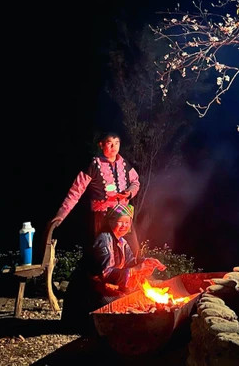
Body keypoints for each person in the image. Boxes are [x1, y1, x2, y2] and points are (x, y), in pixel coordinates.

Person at [61, 204, 165, 334]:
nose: (124, 226)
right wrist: (135, 269)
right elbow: (105, 273)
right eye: (120, 222)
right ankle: (86, 325)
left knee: (134, 297)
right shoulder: (103, 240)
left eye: (127, 222)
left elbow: (130, 262)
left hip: (103, 288)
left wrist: (146, 263)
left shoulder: (122, 242)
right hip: (88, 291)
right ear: (110, 221)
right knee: (122, 302)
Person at [49, 132, 141, 253]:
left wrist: (129, 192)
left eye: (117, 143)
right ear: (101, 145)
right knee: (105, 254)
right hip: (102, 216)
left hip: (123, 213)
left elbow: (136, 182)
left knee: (133, 252)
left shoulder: (124, 164)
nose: (114, 147)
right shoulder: (93, 166)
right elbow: (76, 191)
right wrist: (60, 216)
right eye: (110, 143)